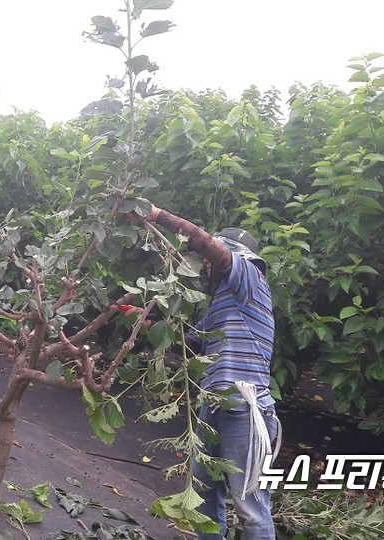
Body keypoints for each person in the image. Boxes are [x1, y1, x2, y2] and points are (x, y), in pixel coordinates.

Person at [135, 200, 279, 540]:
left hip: (245, 407)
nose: (205, 267)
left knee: (251, 509)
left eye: (208, 261)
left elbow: (210, 247)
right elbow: (191, 343)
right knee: (205, 499)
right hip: (212, 407)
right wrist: (145, 323)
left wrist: (158, 217)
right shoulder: (220, 303)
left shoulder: (249, 279)